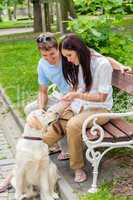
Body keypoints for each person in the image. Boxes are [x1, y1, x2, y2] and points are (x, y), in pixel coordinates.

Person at [0, 33, 131, 192]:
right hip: (79, 106)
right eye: (65, 56)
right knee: (45, 136)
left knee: (73, 124)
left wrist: (76, 95)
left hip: (100, 109)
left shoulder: (99, 64)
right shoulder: (80, 60)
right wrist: (68, 103)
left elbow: (101, 95)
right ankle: (11, 176)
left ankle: (77, 168)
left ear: (78, 50)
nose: (67, 60)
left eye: (69, 55)